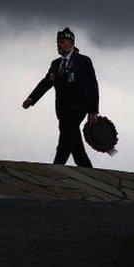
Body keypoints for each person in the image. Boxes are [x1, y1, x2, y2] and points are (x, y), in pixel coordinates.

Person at [22, 27, 100, 168]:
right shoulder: (56, 64)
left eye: (63, 42)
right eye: (58, 42)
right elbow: (46, 83)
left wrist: (93, 111)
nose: (59, 45)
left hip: (78, 107)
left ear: (71, 43)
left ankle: (57, 167)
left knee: (66, 137)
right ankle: (87, 169)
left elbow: (93, 86)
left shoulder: (83, 61)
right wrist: (31, 99)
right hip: (62, 109)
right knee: (75, 144)